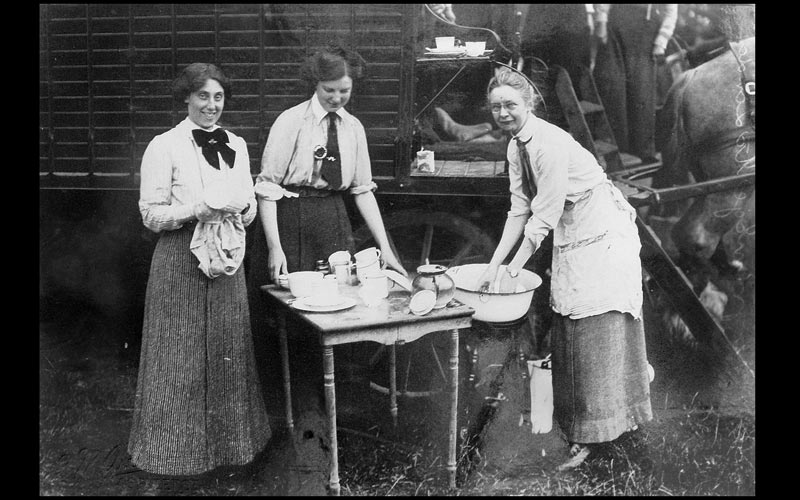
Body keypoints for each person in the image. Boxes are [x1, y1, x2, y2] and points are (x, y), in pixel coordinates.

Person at [477, 67, 653, 470]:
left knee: (596, 329)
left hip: (602, 231)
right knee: (571, 331)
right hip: (574, 231)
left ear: (529, 104)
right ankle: (590, 429)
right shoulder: (515, 147)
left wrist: (514, 272)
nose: (503, 113)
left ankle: (603, 434)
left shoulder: (549, 144)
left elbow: (544, 216)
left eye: (511, 105)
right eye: (496, 107)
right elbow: (519, 210)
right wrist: (494, 266)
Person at [130, 63, 270, 476]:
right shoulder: (164, 145)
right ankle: (172, 456)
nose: (212, 106)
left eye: (218, 97)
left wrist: (243, 209)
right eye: (203, 97)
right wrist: (197, 210)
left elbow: (250, 206)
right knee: (178, 355)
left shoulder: (237, 144)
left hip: (226, 258)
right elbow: (150, 215)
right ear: (186, 99)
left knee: (229, 349)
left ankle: (232, 452)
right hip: (179, 259)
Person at [249, 46, 406, 284]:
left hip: (333, 219)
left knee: (336, 292)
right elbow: (267, 189)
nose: (336, 98)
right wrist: (275, 248)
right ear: (315, 84)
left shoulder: (353, 127)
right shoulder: (292, 120)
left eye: (344, 91)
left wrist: (385, 247)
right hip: (291, 219)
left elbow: (362, 190)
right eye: (328, 90)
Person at [592, 4, 678, 163]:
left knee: (642, 93)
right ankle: (617, 151)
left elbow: (671, 10)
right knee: (614, 90)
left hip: (646, 36)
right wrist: (602, 21)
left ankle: (643, 152)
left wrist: (661, 40)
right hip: (615, 30)